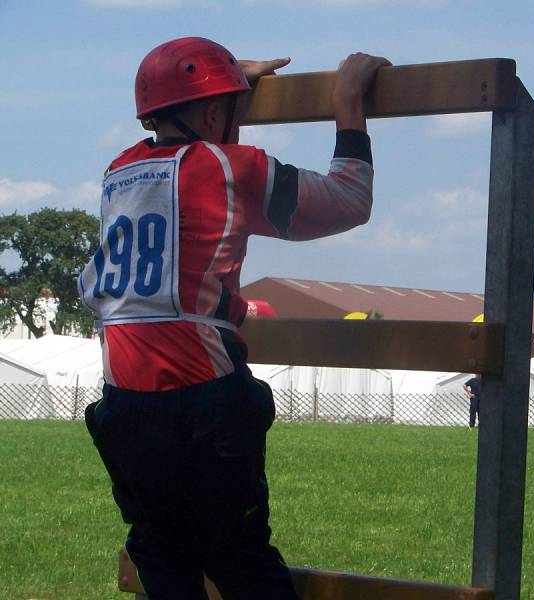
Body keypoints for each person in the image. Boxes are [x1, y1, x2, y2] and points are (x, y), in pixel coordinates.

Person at [79, 36, 390, 599]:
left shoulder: (118, 171)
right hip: (201, 406)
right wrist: (348, 101)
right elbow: (351, 200)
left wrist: (222, 86)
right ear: (216, 111)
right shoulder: (229, 167)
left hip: (123, 407)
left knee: (162, 556)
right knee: (242, 562)